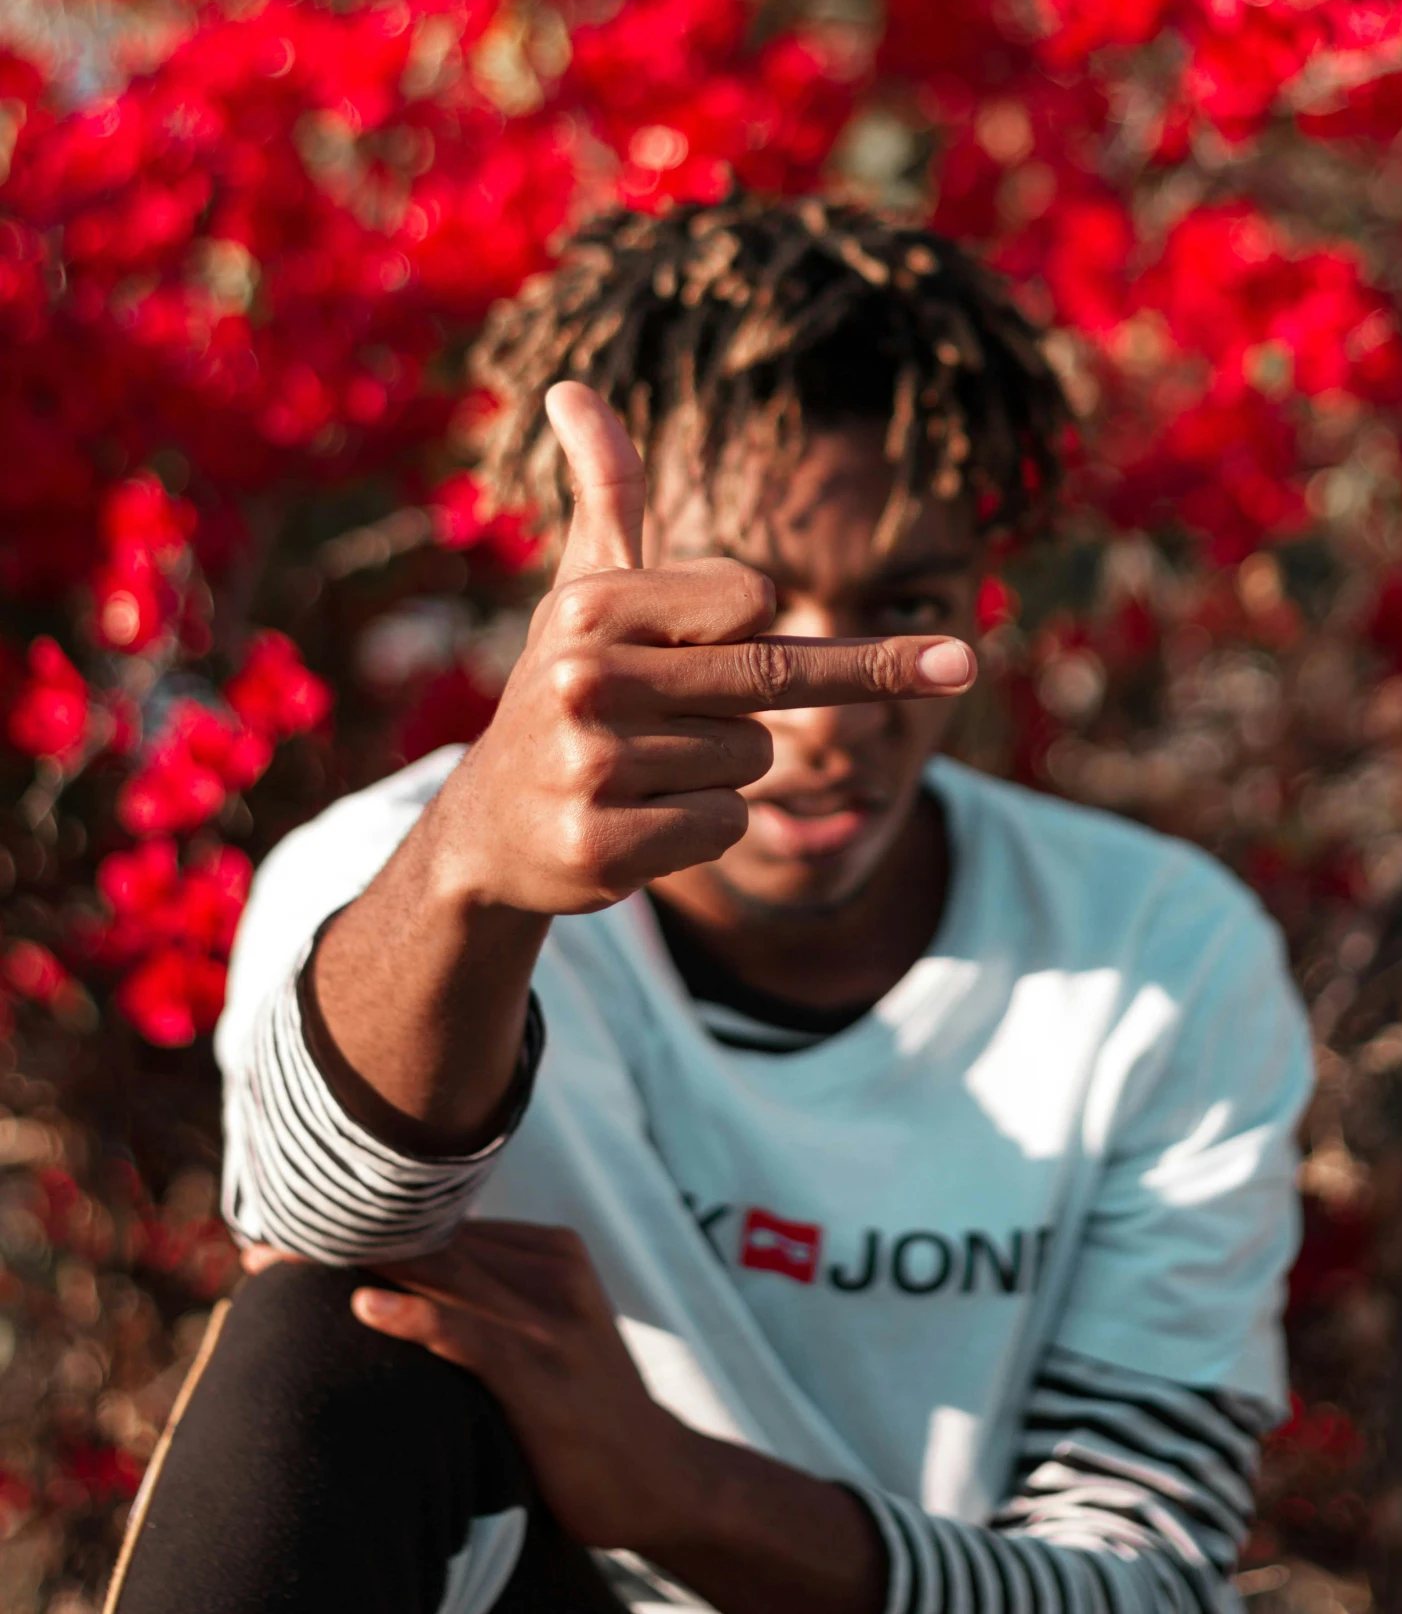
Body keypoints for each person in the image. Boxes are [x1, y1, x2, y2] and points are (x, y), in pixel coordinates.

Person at [106, 197, 1313, 1614]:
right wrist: (469, 880)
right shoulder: (381, 871)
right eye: (735, 604)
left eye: (900, 598)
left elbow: (1151, 1585)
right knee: (324, 1333)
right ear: (586, 573)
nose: (813, 700)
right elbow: (312, 1228)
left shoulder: (1155, 951)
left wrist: (686, 1495)